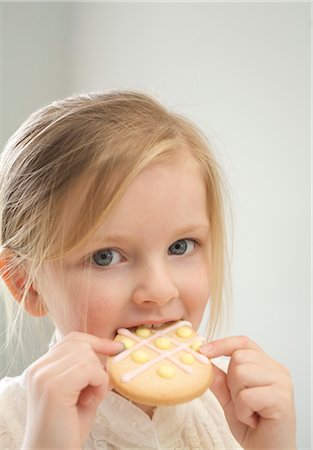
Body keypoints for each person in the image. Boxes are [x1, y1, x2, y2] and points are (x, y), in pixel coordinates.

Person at [0, 90, 296, 450]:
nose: (159, 289)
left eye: (180, 247)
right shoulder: (9, 425)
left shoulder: (232, 417)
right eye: (106, 256)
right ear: (26, 284)